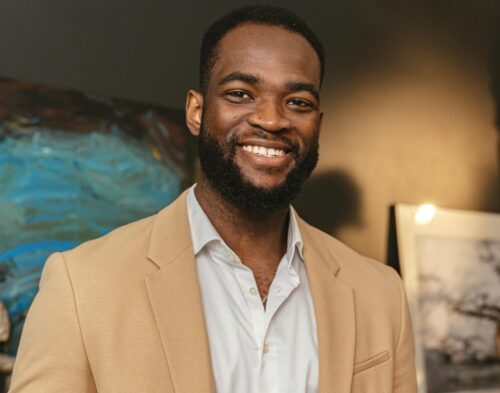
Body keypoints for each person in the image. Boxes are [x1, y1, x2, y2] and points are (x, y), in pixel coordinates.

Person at [9, 5, 417, 393]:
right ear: (196, 111)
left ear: (318, 124)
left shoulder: (381, 296)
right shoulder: (82, 286)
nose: (272, 119)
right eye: (241, 93)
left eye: (298, 102)